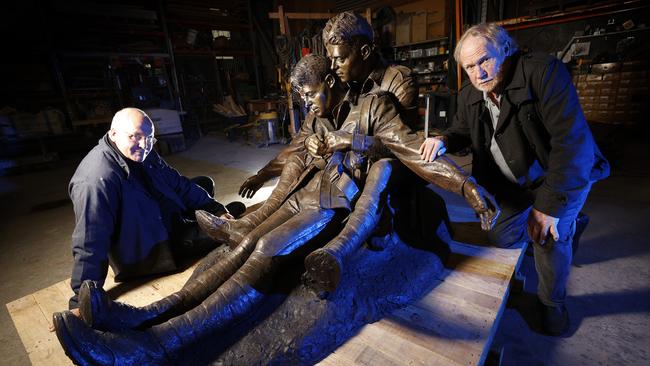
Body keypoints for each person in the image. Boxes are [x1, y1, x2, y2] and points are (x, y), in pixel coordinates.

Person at [53, 55, 498, 365]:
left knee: (263, 247)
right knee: (238, 244)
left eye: (314, 89)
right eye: (303, 95)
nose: (308, 100)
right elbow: (295, 153)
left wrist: (468, 187)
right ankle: (144, 316)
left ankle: (161, 346)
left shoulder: (373, 108)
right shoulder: (318, 115)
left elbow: (410, 152)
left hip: (332, 204)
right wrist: (264, 179)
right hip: (298, 195)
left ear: (338, 77)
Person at [419, 23, 610, 335]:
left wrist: (550, 208)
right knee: (500, 236)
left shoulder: (544, 72)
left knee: (546, 234)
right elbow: (461, 131)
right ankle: (572, 221)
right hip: (516, 187)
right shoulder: (470, 94)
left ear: (505, 50)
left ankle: (553, 306)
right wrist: (442, 140)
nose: (478, 73)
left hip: (558, 177)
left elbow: (571, 143)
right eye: (469, 67)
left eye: (484, 61)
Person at [66, 108, 243, 309]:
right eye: (135, 136)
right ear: (113, 134)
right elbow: (90, 240)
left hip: (154, 214)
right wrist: (81, 301)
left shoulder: (143, 150)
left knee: (203, 183)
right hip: (153, 246)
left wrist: (216, 208)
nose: (144, 145)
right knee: (223, 231)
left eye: (150, 138)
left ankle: (214, 215)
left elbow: (177, 183)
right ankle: (205, 225)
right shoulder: (96, 180)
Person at [238, 11, 417, 199]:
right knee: (300, 169)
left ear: (364, 52)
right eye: (331, 58)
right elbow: (298, 143)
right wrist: (262, 176)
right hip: (347, 174)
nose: (332, 66)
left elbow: (402, 148)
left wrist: (351, 141)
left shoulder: (398, 81)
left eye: (340, 58)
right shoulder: (341, 80)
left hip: (380, 177)